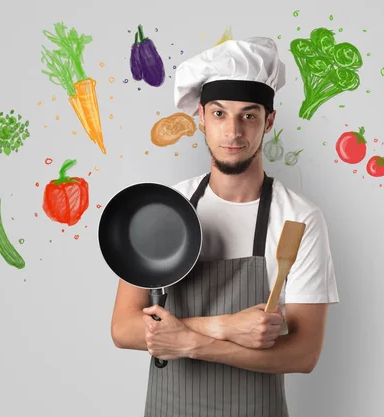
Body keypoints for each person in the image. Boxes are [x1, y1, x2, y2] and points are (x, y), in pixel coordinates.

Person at [110, 35, 340, 416]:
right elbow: (123, 328)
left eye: (248, 115)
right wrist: (225, 326)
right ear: (200, 117)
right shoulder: (164, 208)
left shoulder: (300, 218)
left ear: (269, 122)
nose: (233, 132)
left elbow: (304, 353)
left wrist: (191, 343)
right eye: (219, 114)